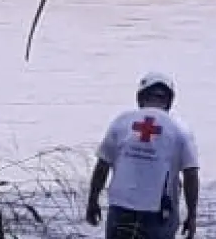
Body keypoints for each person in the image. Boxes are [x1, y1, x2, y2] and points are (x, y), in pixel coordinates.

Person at [85, 72, 200, 239]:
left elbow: (102, 166)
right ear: (169, 101)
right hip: (158, 213)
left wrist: (92, 201)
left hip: (120, 207)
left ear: (140, 98)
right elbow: (191, 175)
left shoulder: (122, 122)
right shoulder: (180, 129)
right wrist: (192, 215)